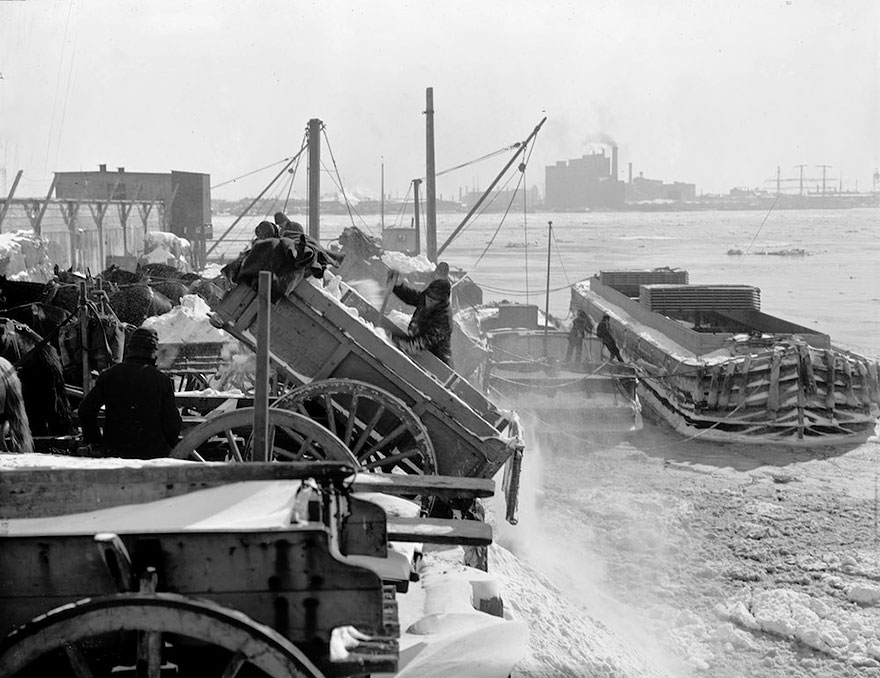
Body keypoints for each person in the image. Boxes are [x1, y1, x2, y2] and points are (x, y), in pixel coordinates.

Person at [78, 326, 182, 459]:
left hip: (115, 453)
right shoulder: (161, 381)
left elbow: (85, 410)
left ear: (129, 349)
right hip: (152, 456)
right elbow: (172, 424)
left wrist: (96, 441)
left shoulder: (109, 376)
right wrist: (168, 445)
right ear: (153, 351)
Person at [387, 270, 453, 366]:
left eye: (434, 299)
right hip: (416, 350)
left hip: (435, 363)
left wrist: (398, 342)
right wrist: (396, 285)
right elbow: (410, 296)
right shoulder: (425, 298)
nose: (429, 301)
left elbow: (424, 342)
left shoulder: (444, 319)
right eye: (429, 297)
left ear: (441, 301)